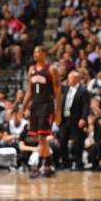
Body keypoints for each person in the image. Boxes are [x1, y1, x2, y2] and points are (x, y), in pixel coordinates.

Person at [21, 45, 62, 178]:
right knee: (40, 137)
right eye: (34, 52)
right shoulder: (31, 69)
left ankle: (38, 166)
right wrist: (23, 107)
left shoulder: (51, 69)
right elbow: (29, 91)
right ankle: (49, 165)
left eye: (37, 52)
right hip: (35, 105)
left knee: (43, 137)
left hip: (47, 105)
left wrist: (58, 110)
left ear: (44, 54)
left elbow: (57, 91)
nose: (35, 54)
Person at [59, 71, 90, 170]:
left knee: (78, 142)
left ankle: (78, 163)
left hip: (77, 119)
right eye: (68, 78)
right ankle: (65, 163)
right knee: (62, 140)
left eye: (70, 78)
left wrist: (83, 118)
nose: (68, 80)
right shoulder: (65, 89)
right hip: (64, 119)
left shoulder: (83, 90)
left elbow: (86, 106)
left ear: (76, 79)